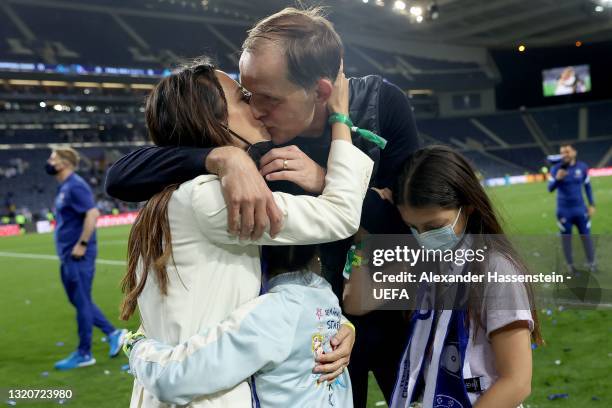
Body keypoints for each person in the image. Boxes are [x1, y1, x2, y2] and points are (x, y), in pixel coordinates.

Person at [105, 8, 420, 406]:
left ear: (321, 92)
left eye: (266, 98)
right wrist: (221, 158)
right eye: (247, 95)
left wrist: (324, 180)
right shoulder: (238, 165)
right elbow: (119, 176)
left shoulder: (379, 104)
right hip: (292, 336)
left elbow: (416, 223)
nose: (256, 109)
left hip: (367, 307)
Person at [119, 60, 373, 407]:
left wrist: (334, 323)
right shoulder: (211, 197)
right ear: (212, 121)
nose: (256, 108)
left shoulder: (173, 195)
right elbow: (340, 216)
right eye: (242, 98)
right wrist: (340, 118)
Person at [343, 146, 543, 407]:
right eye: (413, 228)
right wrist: (364, 238)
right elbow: (357, 302)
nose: (424, 238)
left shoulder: (496, 270)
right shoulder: (425, 262)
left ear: (468, 206)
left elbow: (516, 382)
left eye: (434, 227)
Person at [124, 245, 354, 408]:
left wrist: (136, 345)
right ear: (316, 257)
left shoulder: (272, 313)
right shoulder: (324, 295)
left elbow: (172, 379)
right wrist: (349, 327)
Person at [46, 148, 127, 370]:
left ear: (65, 163)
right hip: (68, 255)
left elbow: (92, 214)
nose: (49, 162)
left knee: (81, 302)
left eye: (53, 158)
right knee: (78, 300)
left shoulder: (75, 185)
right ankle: (113, 333)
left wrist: (82, 244)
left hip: (78, 255)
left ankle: (84, 353)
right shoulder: (64, 187)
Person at [548, 144, 596, 274]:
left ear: (574, 152)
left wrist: (592, 204)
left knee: (586, 236)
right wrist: (557, 179)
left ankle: (591, 263)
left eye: (567, 151)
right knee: (566, 239)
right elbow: (550, 189)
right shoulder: (555, 169)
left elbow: (588, 187)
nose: (565, 155)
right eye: (562, 152)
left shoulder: (582, 167)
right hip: (564, 212)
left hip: (581, 210)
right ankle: (570, 266)